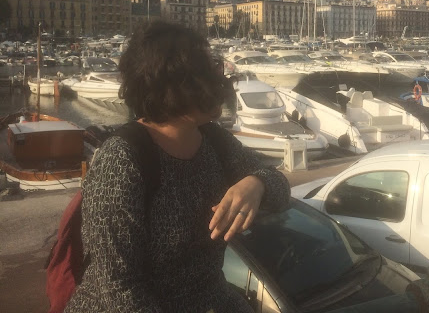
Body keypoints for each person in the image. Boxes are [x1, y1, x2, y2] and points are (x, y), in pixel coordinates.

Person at [65, 20, 291, 313]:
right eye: (206, 74)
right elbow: (119, 288)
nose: (220, 82)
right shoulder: (122, 159)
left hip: (209, 298)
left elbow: (281, 191)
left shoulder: (214, 140)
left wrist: (256, 184)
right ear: (171, 88)